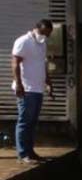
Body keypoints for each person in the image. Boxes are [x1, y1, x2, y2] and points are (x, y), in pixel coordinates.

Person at [10, 19, 52, 164]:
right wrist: (19, 84)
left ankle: (30, 152)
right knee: (24, 121)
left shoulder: (42, 44)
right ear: (36, 29)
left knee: (32, 122)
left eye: (48, 34)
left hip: (38, 89)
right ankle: (22, 154)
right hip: (26, 89)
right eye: (43, 33)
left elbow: (42, 64)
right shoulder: (23, 41)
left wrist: (48, 81)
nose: (45, 36)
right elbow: (15, 63)